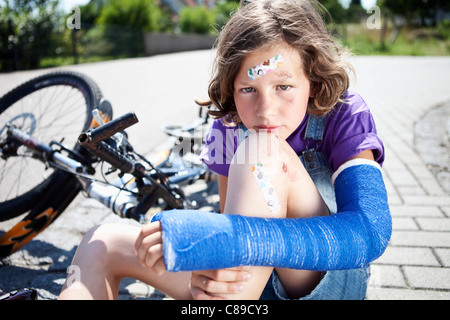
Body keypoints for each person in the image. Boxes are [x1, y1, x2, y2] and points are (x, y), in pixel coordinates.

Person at [59, 0, 391, 300]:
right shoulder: (230, 125)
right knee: (100, 243)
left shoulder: (346, 113)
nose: (265, 109)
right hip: (246, 281)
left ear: (313, 82)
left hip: (328, 278)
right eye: (248, 89)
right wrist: (209, 265)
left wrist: (230, 242)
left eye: (284, 87)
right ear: (231, 90)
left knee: (263, 150)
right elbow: (230, 221)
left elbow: (369, 230)